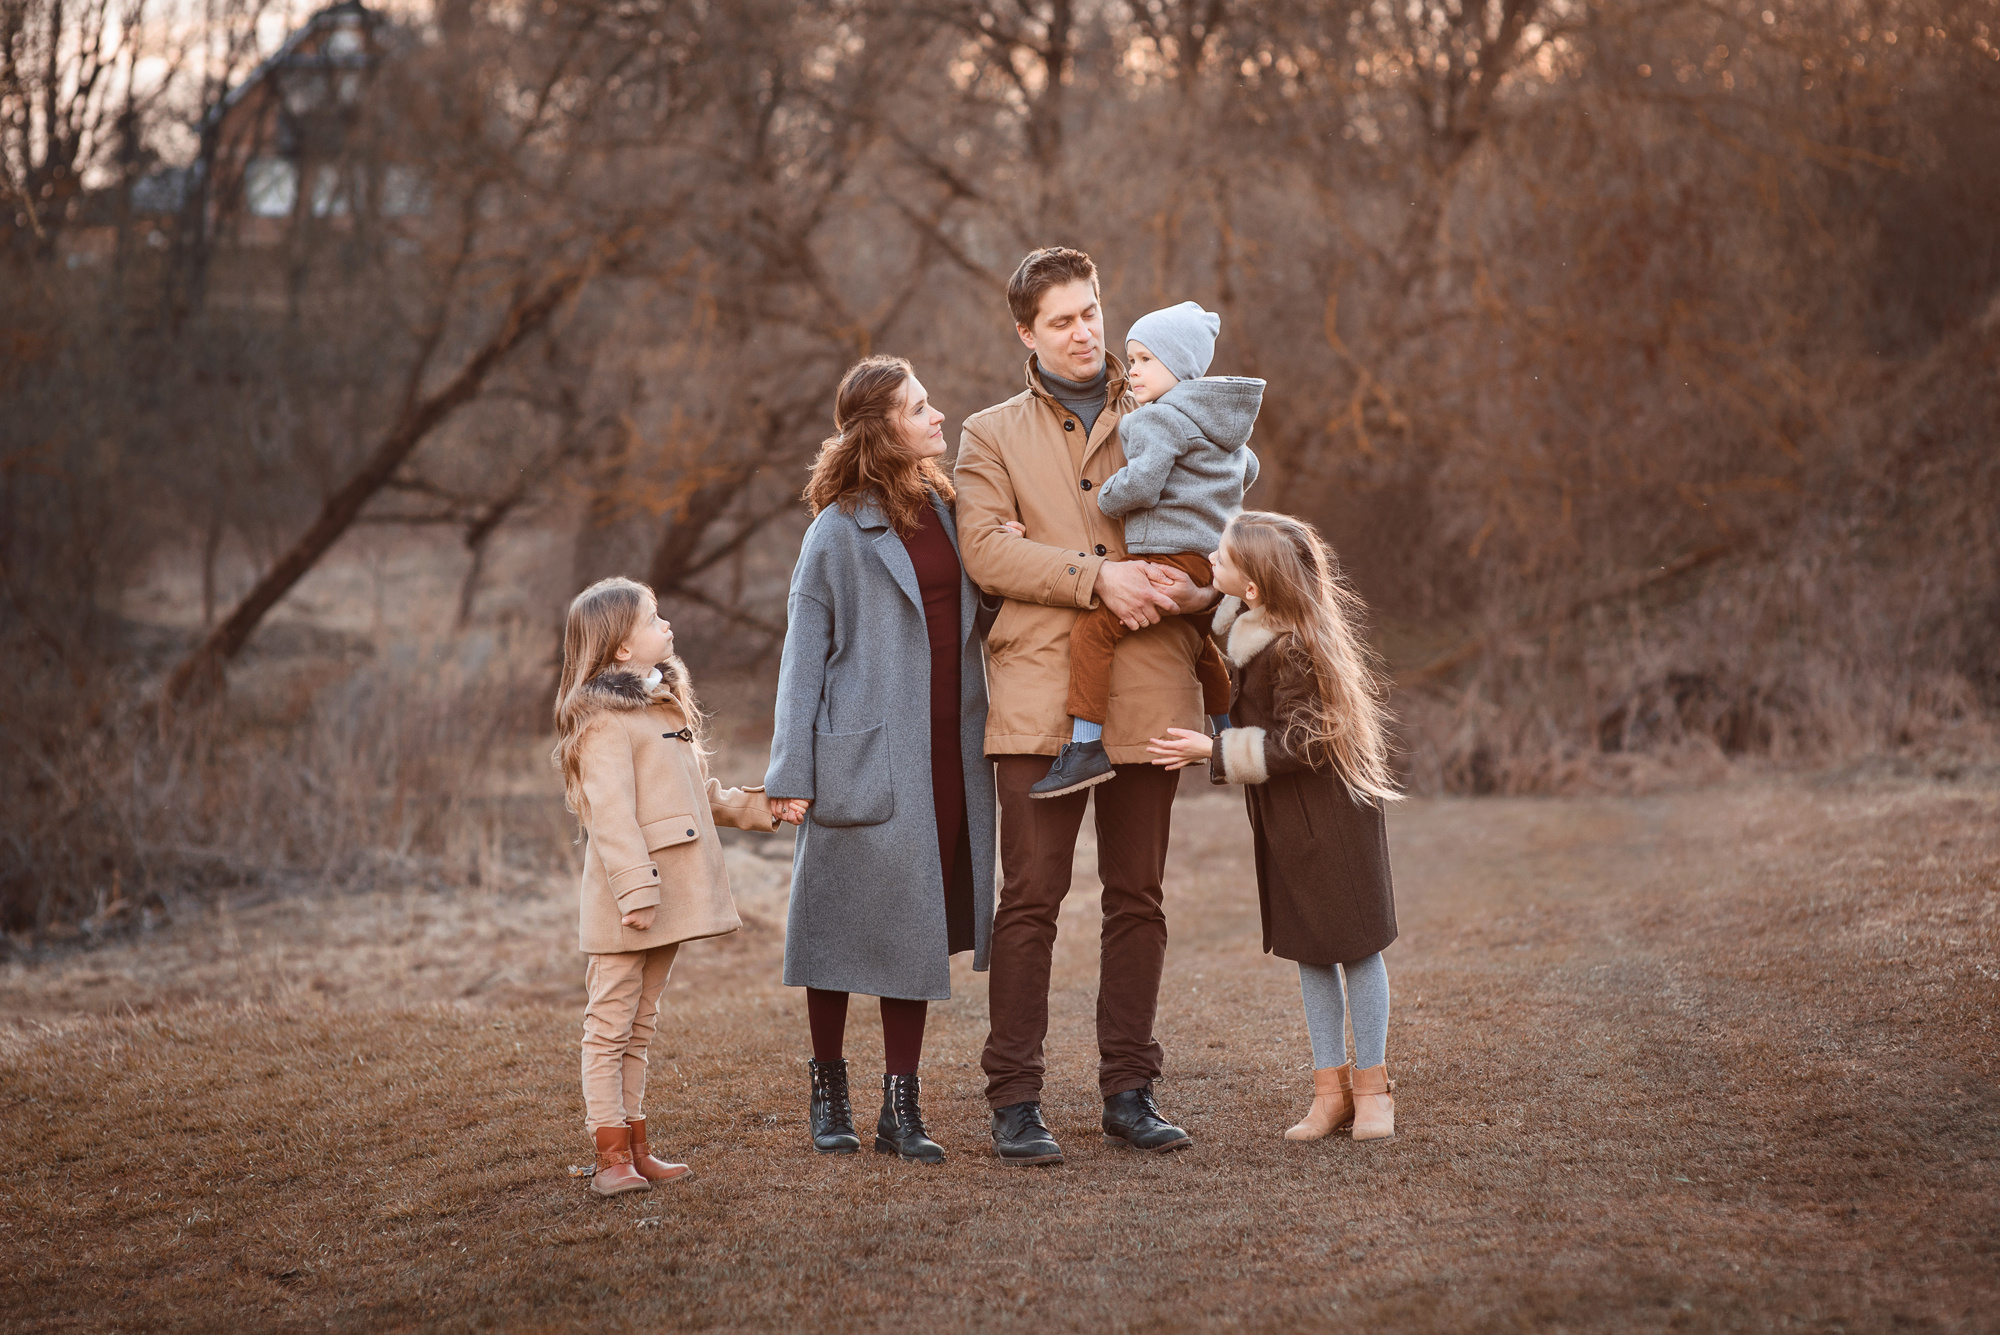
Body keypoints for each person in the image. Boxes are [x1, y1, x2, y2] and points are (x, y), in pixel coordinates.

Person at [954, 246, 1220, 1164]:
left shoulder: (1164, 400)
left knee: (1138, 895)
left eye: (1093, 310)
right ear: (1027, 333)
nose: (1085, 331)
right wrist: (1097, 577)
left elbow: (1215, 539)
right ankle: (1015, 1097)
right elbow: (987, 551)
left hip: (1151, 686)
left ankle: (1130, 1088)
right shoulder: (988, 436)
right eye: (1062, 318)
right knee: (1030, 897)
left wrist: (1192, 591)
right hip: (1036, 698)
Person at [765, 355, 998, 1165]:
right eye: (920, 407)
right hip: (857, 754)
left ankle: (903, 1106)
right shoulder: (834, 530)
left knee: (914, 924)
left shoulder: (951, 508)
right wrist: (790, 774)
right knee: (833, 921)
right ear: (882, 428)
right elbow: (803, 658)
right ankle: (830, 1089)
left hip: (946, 754)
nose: (938, 416)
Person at [1147, 512, 1403, 1143]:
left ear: (1254, 588)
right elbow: (1213, 611)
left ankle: (1374, 1091)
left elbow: (1308, 742)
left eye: (1224, 557)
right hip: (1287, 823)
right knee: (1310, 951)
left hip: (1333, 821)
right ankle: (1330, 1092)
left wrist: (1214, 752)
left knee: (1356, 948)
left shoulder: (1294, 648)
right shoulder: (1248, 627)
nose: (1212, 557)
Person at [552, 577, 791, 1196]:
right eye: (654, 619)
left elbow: (696, 797)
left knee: (641, 1024)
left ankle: (637, 1147)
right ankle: (609, 1160)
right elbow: (610, 814)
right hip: (632, 900)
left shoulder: (662, 708)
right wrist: (635, 890)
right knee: (609, 1025)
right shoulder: (604, 720)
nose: (669, 627)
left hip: (669, 894)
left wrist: (765, 809)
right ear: (621, 650)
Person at [1030, 299, 1264, 799]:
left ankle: (1086, 746)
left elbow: (1143, 485)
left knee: (1093, 633)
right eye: (1131, 360)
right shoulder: (1225, 425)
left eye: (1144, 361)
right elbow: (1249, 471)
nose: (1132, 371)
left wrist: (1107, 495)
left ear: (1178, 365)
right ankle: (1224, 733)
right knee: (1203, 651)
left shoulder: (1157, 419)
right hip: (1213, 565)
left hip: (1166, 556)